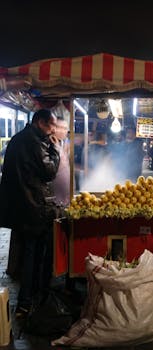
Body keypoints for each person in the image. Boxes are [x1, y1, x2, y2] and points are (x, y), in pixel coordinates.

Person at [0, 109, 60, 317]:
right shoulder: (37, 143)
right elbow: (50, 172)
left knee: (27, 252)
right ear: (40, 122)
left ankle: (28, 299)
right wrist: (55, 149)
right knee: (33, 254)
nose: (53, 129)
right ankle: (28, 300)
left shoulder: (17, 139)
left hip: (18, 207)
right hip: (33, 208)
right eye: (51, 125)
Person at [50, 116, 70, 206]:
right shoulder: (48, 144)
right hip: (53, 197)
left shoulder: (63, 143)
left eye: (65, 128)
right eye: (59, 127)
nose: (62, 131)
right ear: (53, 128)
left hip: (65, 196)